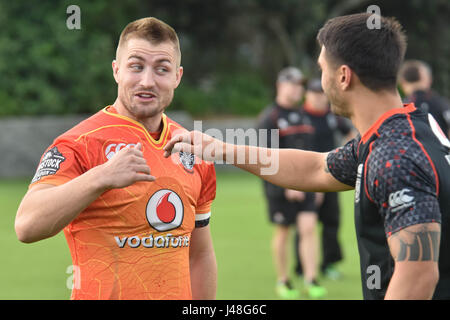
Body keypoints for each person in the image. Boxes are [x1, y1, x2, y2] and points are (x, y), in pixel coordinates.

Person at [164, 13, 450, 300]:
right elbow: (318, 168)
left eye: (321, 70)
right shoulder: (404, 130)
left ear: (343, 76)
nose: (320, 83)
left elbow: (419, 273)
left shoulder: (394, 155)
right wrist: (219, 148)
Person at [15, 17, 217, 300]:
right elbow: (27, 225)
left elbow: (200, 254)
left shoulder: (192, 148)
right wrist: (101, 177)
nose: (147, 81)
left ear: (177, 77)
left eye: (162, 69)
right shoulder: (78, 143)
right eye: (136, 67)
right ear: (117, 70)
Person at [257, 67, 326, 299]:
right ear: (280, 85)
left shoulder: (305, 116)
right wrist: (285, 184)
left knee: (309, 227)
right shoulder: (270, 117)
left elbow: (311, 153)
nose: (298, 89)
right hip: (279, 187)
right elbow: (265, 156)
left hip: (305, 184)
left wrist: (318, 184)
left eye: (300, 85)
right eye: (293, 84)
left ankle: (311, 279)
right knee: (284, 230)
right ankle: (284, 281)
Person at [294, 79, 354, 280]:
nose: (319, 97)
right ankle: (302, 266)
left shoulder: (331, 116)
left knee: (331, 221)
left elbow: (350, 133)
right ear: (307, 95)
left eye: (321, 93)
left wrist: (343, 154)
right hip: (305, 176)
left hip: (330, 175)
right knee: (305, 223)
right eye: (314, 93)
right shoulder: (299, 117)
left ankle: (328, 263)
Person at [399, 60, 450, 138]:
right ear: (428, 79)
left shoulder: (399, 107)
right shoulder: (440, 104)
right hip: (439, 149)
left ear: (402, 82)